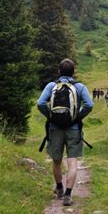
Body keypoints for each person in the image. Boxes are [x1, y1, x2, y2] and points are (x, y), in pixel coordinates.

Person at [37, 59, 93, 206]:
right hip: (73, 128)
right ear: (74, 72)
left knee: (56, 160)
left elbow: (40, 103)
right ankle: (68, 195)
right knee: (72, 160)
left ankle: (59, 188)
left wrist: (50, 116)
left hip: (55, 128)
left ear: (59, 71)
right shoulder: (80, 87)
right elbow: (89, 105)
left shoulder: (51, 86)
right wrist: (77, 117)